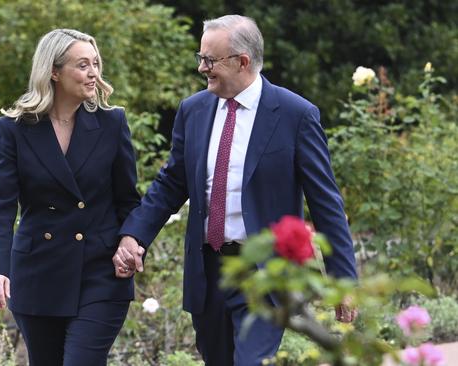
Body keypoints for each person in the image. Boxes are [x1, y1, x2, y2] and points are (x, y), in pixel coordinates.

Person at [113, 15, 358, 365]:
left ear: (242, 61)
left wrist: (343, 281)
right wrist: (135, 235)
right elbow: (172, 183)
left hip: (264, 274)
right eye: (201, 58)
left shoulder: (295, 114)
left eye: (209, 60)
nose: (201, 67)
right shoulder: (192, 110)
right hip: (208, 271)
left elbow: (325, 203)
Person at [0, 28, 140, 366]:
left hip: (100, 273)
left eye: (95, 64)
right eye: (82, 65)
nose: (94, 73)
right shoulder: (15, 129)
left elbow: (128, 199)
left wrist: (133, 240)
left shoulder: (112, 123)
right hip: (38, 273)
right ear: (54, 71)